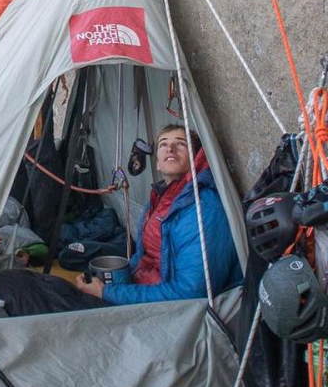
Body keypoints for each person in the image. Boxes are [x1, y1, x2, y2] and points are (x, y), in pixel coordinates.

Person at [73, 124, 241, 304]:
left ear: (195, 157)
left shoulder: (202, 208)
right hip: (147, 289)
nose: (170, 148)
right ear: (158, 163)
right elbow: (142, 258)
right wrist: (114, 283)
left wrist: (108, 293)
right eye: (163, 144)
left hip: (173, 310)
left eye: (181, 144)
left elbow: (192, 293)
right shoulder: (161, 198)